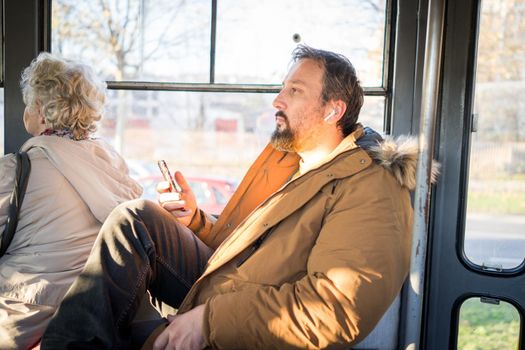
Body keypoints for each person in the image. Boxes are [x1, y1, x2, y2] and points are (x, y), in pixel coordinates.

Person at [42, 45, 419, 349]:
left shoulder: (371, 186)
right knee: (136, 219)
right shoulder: (299, 163)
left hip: (246, 320)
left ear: (333, 110)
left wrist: (207, 322)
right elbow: (252, 248)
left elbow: (336, 310)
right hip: (235, 288)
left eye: (294, 91)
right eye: (282, 88)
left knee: (113, 336)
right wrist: (196, 222)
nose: (277, 100)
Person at [0, 52, 143, 349]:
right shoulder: (113, 165)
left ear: (41, 111)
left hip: (20, 318)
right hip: (90, 316)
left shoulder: (15, 172)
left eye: (29, 102)